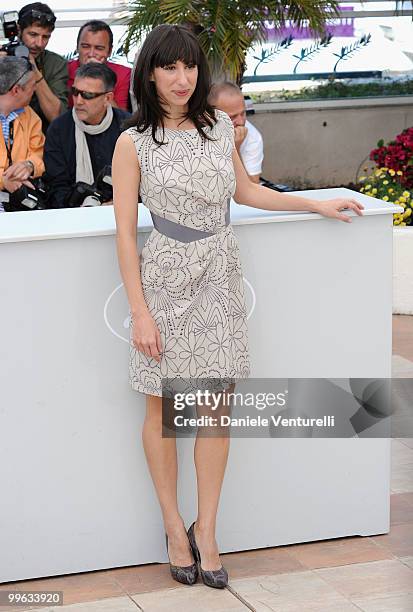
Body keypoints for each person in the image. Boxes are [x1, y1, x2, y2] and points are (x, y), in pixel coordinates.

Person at [112, 24, 363, 590]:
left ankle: (210, 531)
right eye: (170, 68)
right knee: (162, 410)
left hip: (221, 273)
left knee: (216, 410)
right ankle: (174, 527)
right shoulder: (133, 143)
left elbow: (246, 192)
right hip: (166, 280)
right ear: (150, 72)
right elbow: (126, 233)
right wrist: (141, 311)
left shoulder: (218, 125)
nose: (183, 79)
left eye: (191, 67)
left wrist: (314, 203)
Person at [44, 62, 129, 209]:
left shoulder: (128, 129)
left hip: (122, 211)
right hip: (71, 215)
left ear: (108, 98)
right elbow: (56, 187)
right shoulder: (59, 130)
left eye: (87, 95)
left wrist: (113, 206)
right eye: (75, 92)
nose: (78, 101)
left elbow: (143, 181)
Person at [0, 56, 45, 211]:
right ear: (16, 90)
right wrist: (3, 180)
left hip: (20, 201)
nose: (35, 89)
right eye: (33, 85)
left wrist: (29, 165)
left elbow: (39, 153)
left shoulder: (31, 117)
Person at [16, 3, 68, 133]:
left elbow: (57, 117)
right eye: (33, 35)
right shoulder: (3, 56)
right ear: (18, 30)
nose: (39, 44)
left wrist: (34, 70)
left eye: (45, 37)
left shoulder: (55, 64)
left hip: (42, 139)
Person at [67, 20, 131, 111]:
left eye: (99, 48)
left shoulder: (123, 74)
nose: (91, 54)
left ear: (109, 51)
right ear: (77, 47)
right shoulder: (65, 70)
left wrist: (100, 73)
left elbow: (120, 118)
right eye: (85, 46)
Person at [209, 81, 264, 183]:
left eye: (243, 113)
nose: (241, 121)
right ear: (211, 116)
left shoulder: (252, 137)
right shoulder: (194, 130)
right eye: (232, 117)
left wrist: (235, 149)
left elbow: (252, 186)